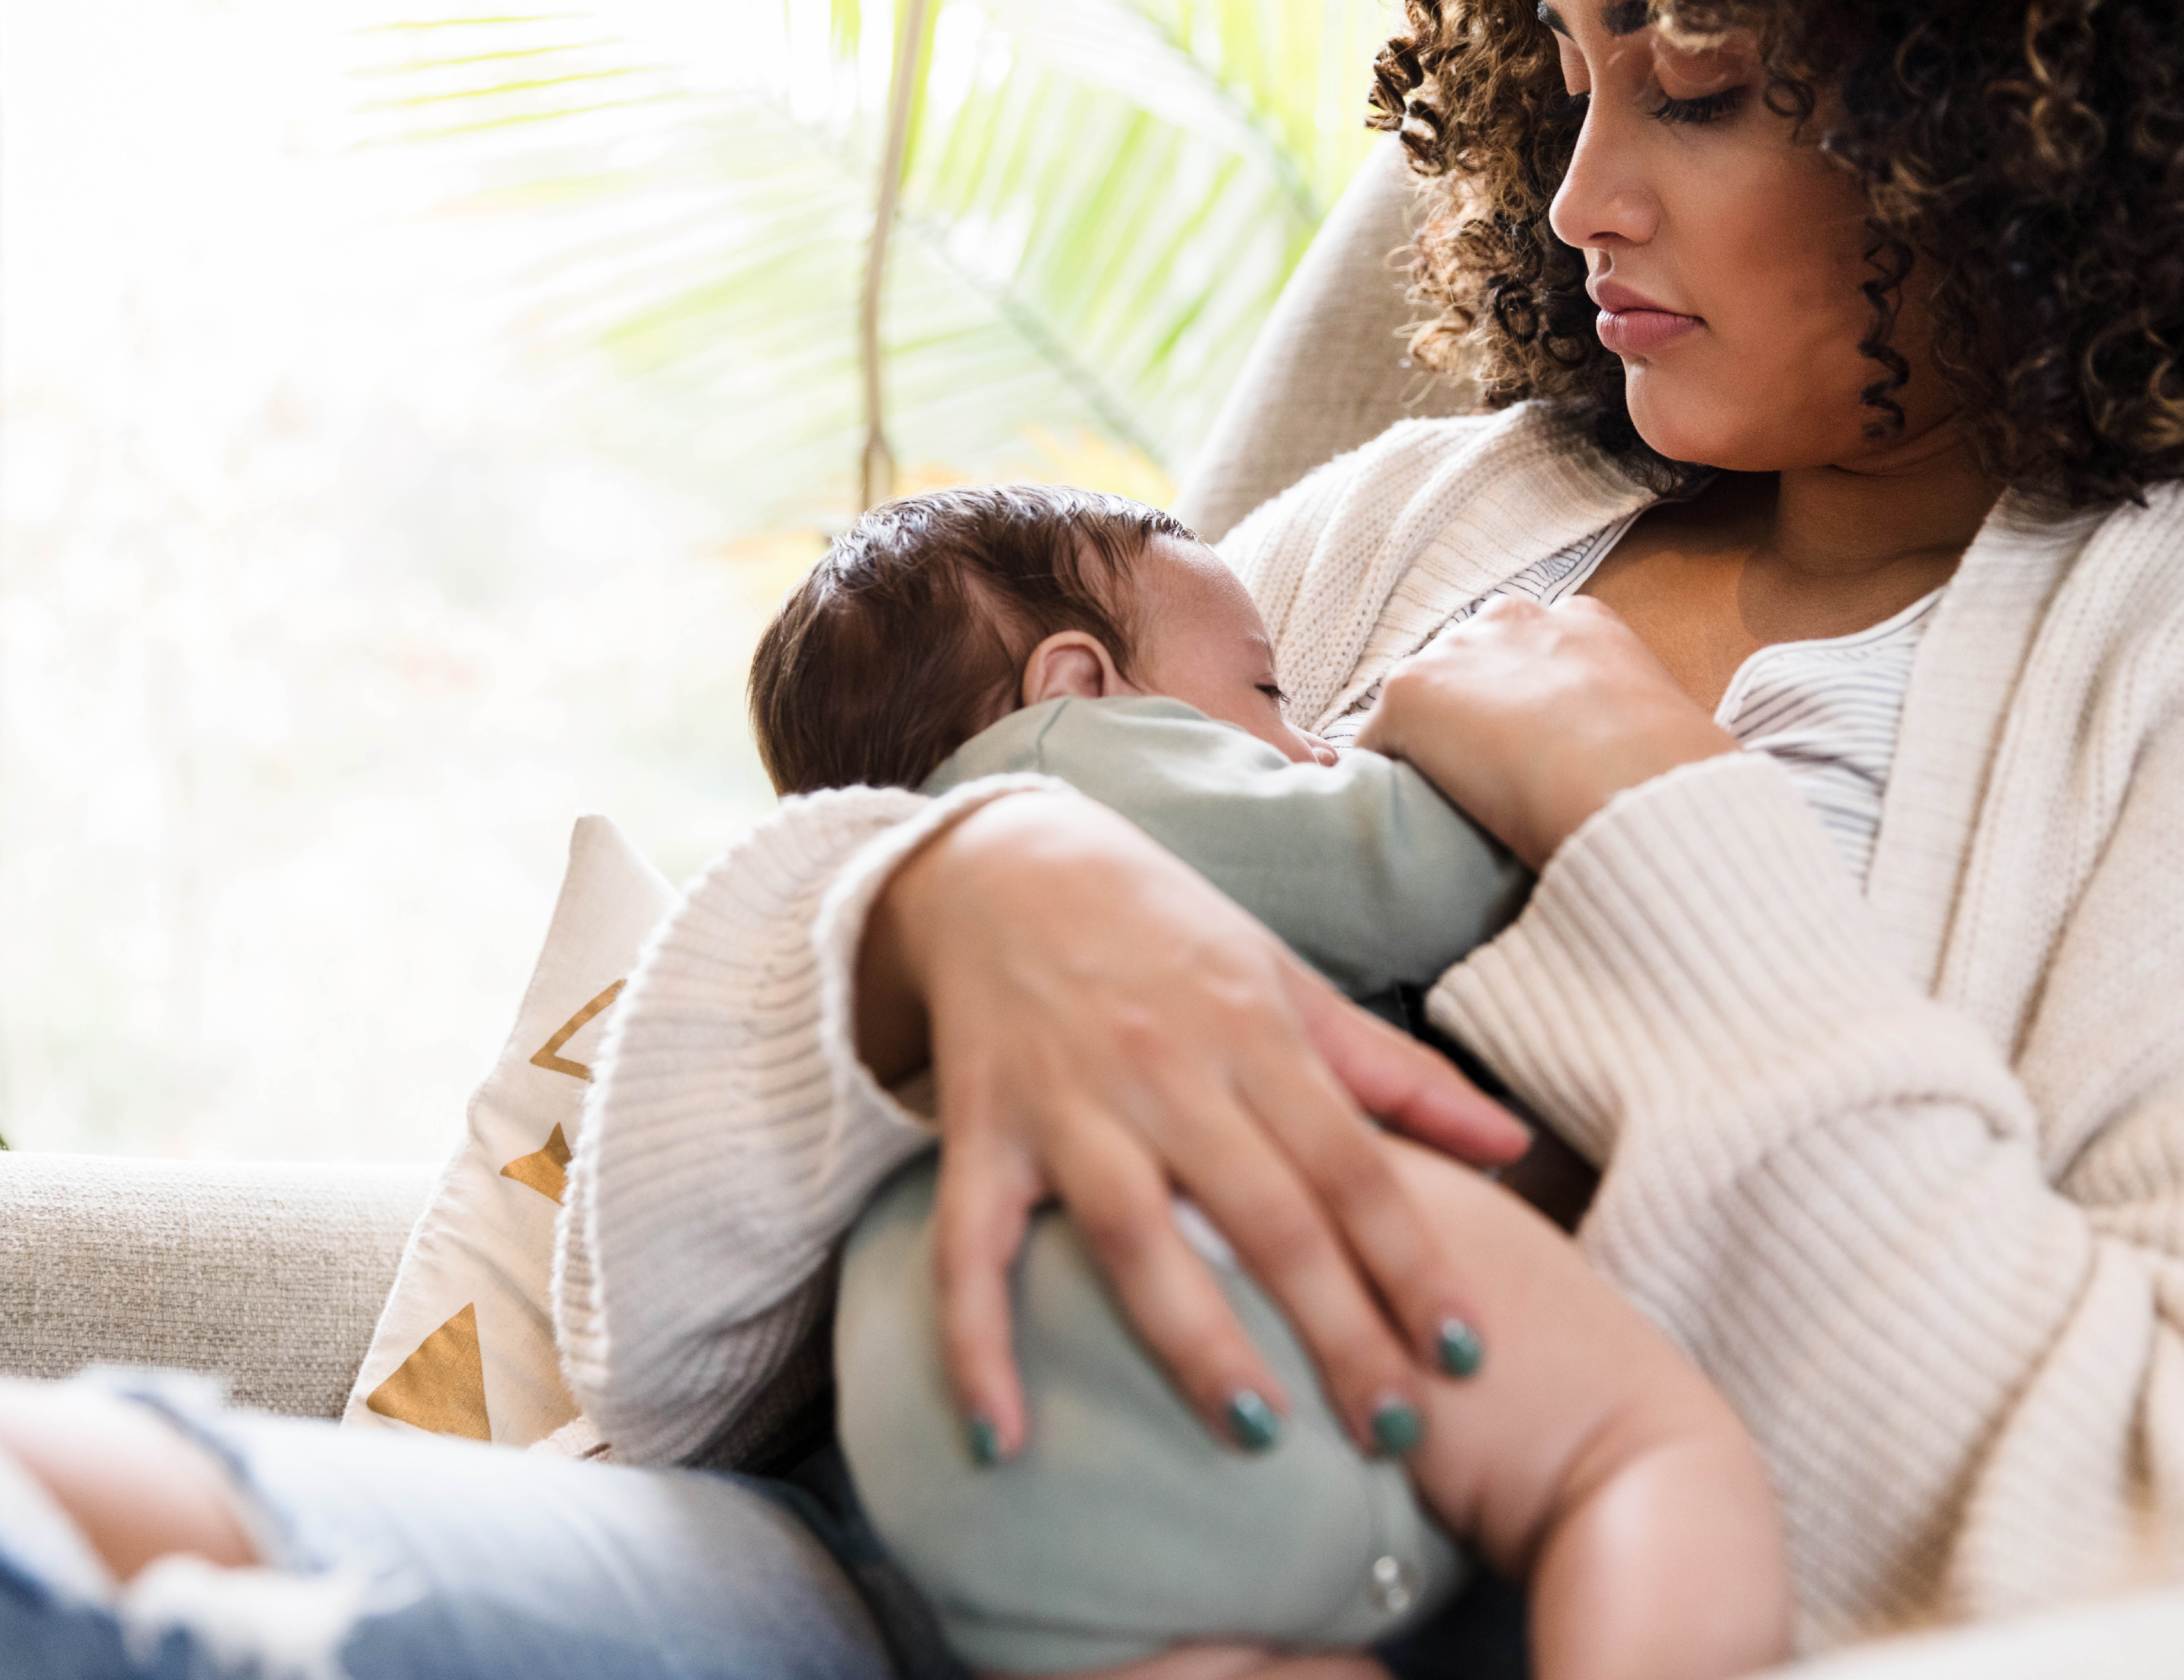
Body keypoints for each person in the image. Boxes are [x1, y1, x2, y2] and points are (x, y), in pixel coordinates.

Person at [3, 3, 2178, 1676]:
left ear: (2012, 127)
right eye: (1569, 70)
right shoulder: (1419, 518)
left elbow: (2116, 1538)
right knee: (67, 1507)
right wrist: (939, 904)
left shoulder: (2137, 675)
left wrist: (1652, 838)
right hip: (866, 1559)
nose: (1576, 196)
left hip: (1396, 1604)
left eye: (1695, 84)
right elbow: (657, 1331)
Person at [745, 480, 1789, 1678]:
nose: (1314, 743)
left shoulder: (872, 907)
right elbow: (1413, 871)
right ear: (1077, 685)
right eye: (1268, 695)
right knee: (1637, 1450)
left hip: (955, 1427)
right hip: (1210, 1262)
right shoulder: (1066, 772)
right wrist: (1514, 732)